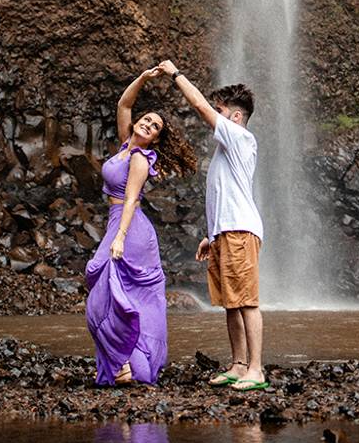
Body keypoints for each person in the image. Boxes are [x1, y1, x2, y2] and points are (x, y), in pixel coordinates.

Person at [158, 58, 267, 391]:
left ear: (234, 117)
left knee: (246, 301)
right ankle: (237, 364)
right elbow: (224, 195)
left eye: (221, 110)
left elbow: (198, 105)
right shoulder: (227, 149)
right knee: (229, 303)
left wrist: (175, 74)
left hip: (240, 231)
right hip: (226, 232)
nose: (213, 115)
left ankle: (256, 369)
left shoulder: (240, 138)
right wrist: (212, 235)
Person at [85, 67, 196, 386]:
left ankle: (123, 364)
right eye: (146, 119)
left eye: (155, 126)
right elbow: (123, 105)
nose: (147, 124)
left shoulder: (139, 159)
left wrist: (118, 238)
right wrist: (145, 78)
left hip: (129, 229)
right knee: (112, 294)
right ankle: (121, 363)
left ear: (157, 138)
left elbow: (132, 199)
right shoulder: (125, 146)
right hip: (117, 224)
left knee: (109, 294)